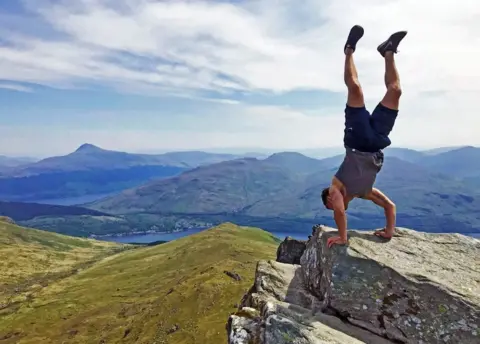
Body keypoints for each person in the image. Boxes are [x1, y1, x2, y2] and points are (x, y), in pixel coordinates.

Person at [321, 25, 407, 248]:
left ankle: (349, 50)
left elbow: (339, 211)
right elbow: (390, 206)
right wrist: (389, 231)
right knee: (395, 91)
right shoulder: (366, 192)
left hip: (356, 140)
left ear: (330, 199)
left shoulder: (335, 187)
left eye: (331, 205)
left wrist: (342, 237)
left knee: (355, 89)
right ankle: (387, 51)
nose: (336, 207)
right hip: (377, 141)